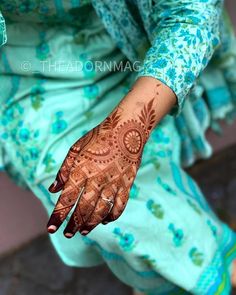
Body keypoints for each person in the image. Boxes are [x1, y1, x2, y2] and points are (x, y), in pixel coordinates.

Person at [0, 1, 235, 294]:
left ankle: (205, 269)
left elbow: (192, 11)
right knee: (95, 210)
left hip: (128, 41)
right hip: (27, 74)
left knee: (127, 195)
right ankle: (190, 271)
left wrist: (126, 133)